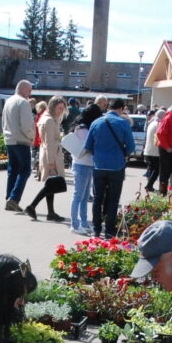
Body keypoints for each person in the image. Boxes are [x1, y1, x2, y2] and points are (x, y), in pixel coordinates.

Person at [84, 98, 135, 238]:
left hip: (99, 166)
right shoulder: (123, 123)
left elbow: (88, 146)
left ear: (108, 108)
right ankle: (110, 230)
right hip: (117, 166)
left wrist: (98, 155)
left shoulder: (96, 122)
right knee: (113, 199)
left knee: (97, 198)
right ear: (121, 109)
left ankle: (96, 229)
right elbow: (131, 147)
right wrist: (122, 154)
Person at [24, 95, 67, 223]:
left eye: (62, 109)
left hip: (49, 153)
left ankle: (50, 212)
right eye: (59, 108)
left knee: (51, 185)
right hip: (50, 155)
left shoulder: (48, 118)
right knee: (50, 185)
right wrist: (52, 163)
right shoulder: (48, 120)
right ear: (53, 106)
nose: (61, 111)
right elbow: (48, 143)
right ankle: (32, 206)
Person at [67, 103, 101, 234]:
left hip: (86, 164)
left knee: (84, 195)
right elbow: (87, 146)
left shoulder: (83, 127)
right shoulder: (82, 128)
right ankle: (75, 225)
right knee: (78, 195)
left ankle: (84, 222)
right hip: (81, 164)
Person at [1, 80, 34, 212]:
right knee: (25, 170)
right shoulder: (23, 102)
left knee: (13, 170)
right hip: (21, 140)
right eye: (29, 90)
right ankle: (14, 199)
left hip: (9, 139)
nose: (30, 93)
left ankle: (9, 197)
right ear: (24, 89)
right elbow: (26, 125)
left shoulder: (9, 101)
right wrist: (32, 136)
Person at [143, 109, 165, 193]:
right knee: (156, 170)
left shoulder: (151, 123)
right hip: (155, 151)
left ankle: (149, 185)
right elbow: (159, 137)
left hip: (148, 150)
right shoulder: (159, 124)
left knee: (152, 169)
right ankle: (149, 185)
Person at [30, 100, 47, 178]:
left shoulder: (39, 116)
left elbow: (35, 128)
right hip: (43, 139)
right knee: (41, 156)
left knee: (38, 156)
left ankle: (39, 172)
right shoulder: (46, 115)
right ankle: (40, 172)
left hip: (38, 138)